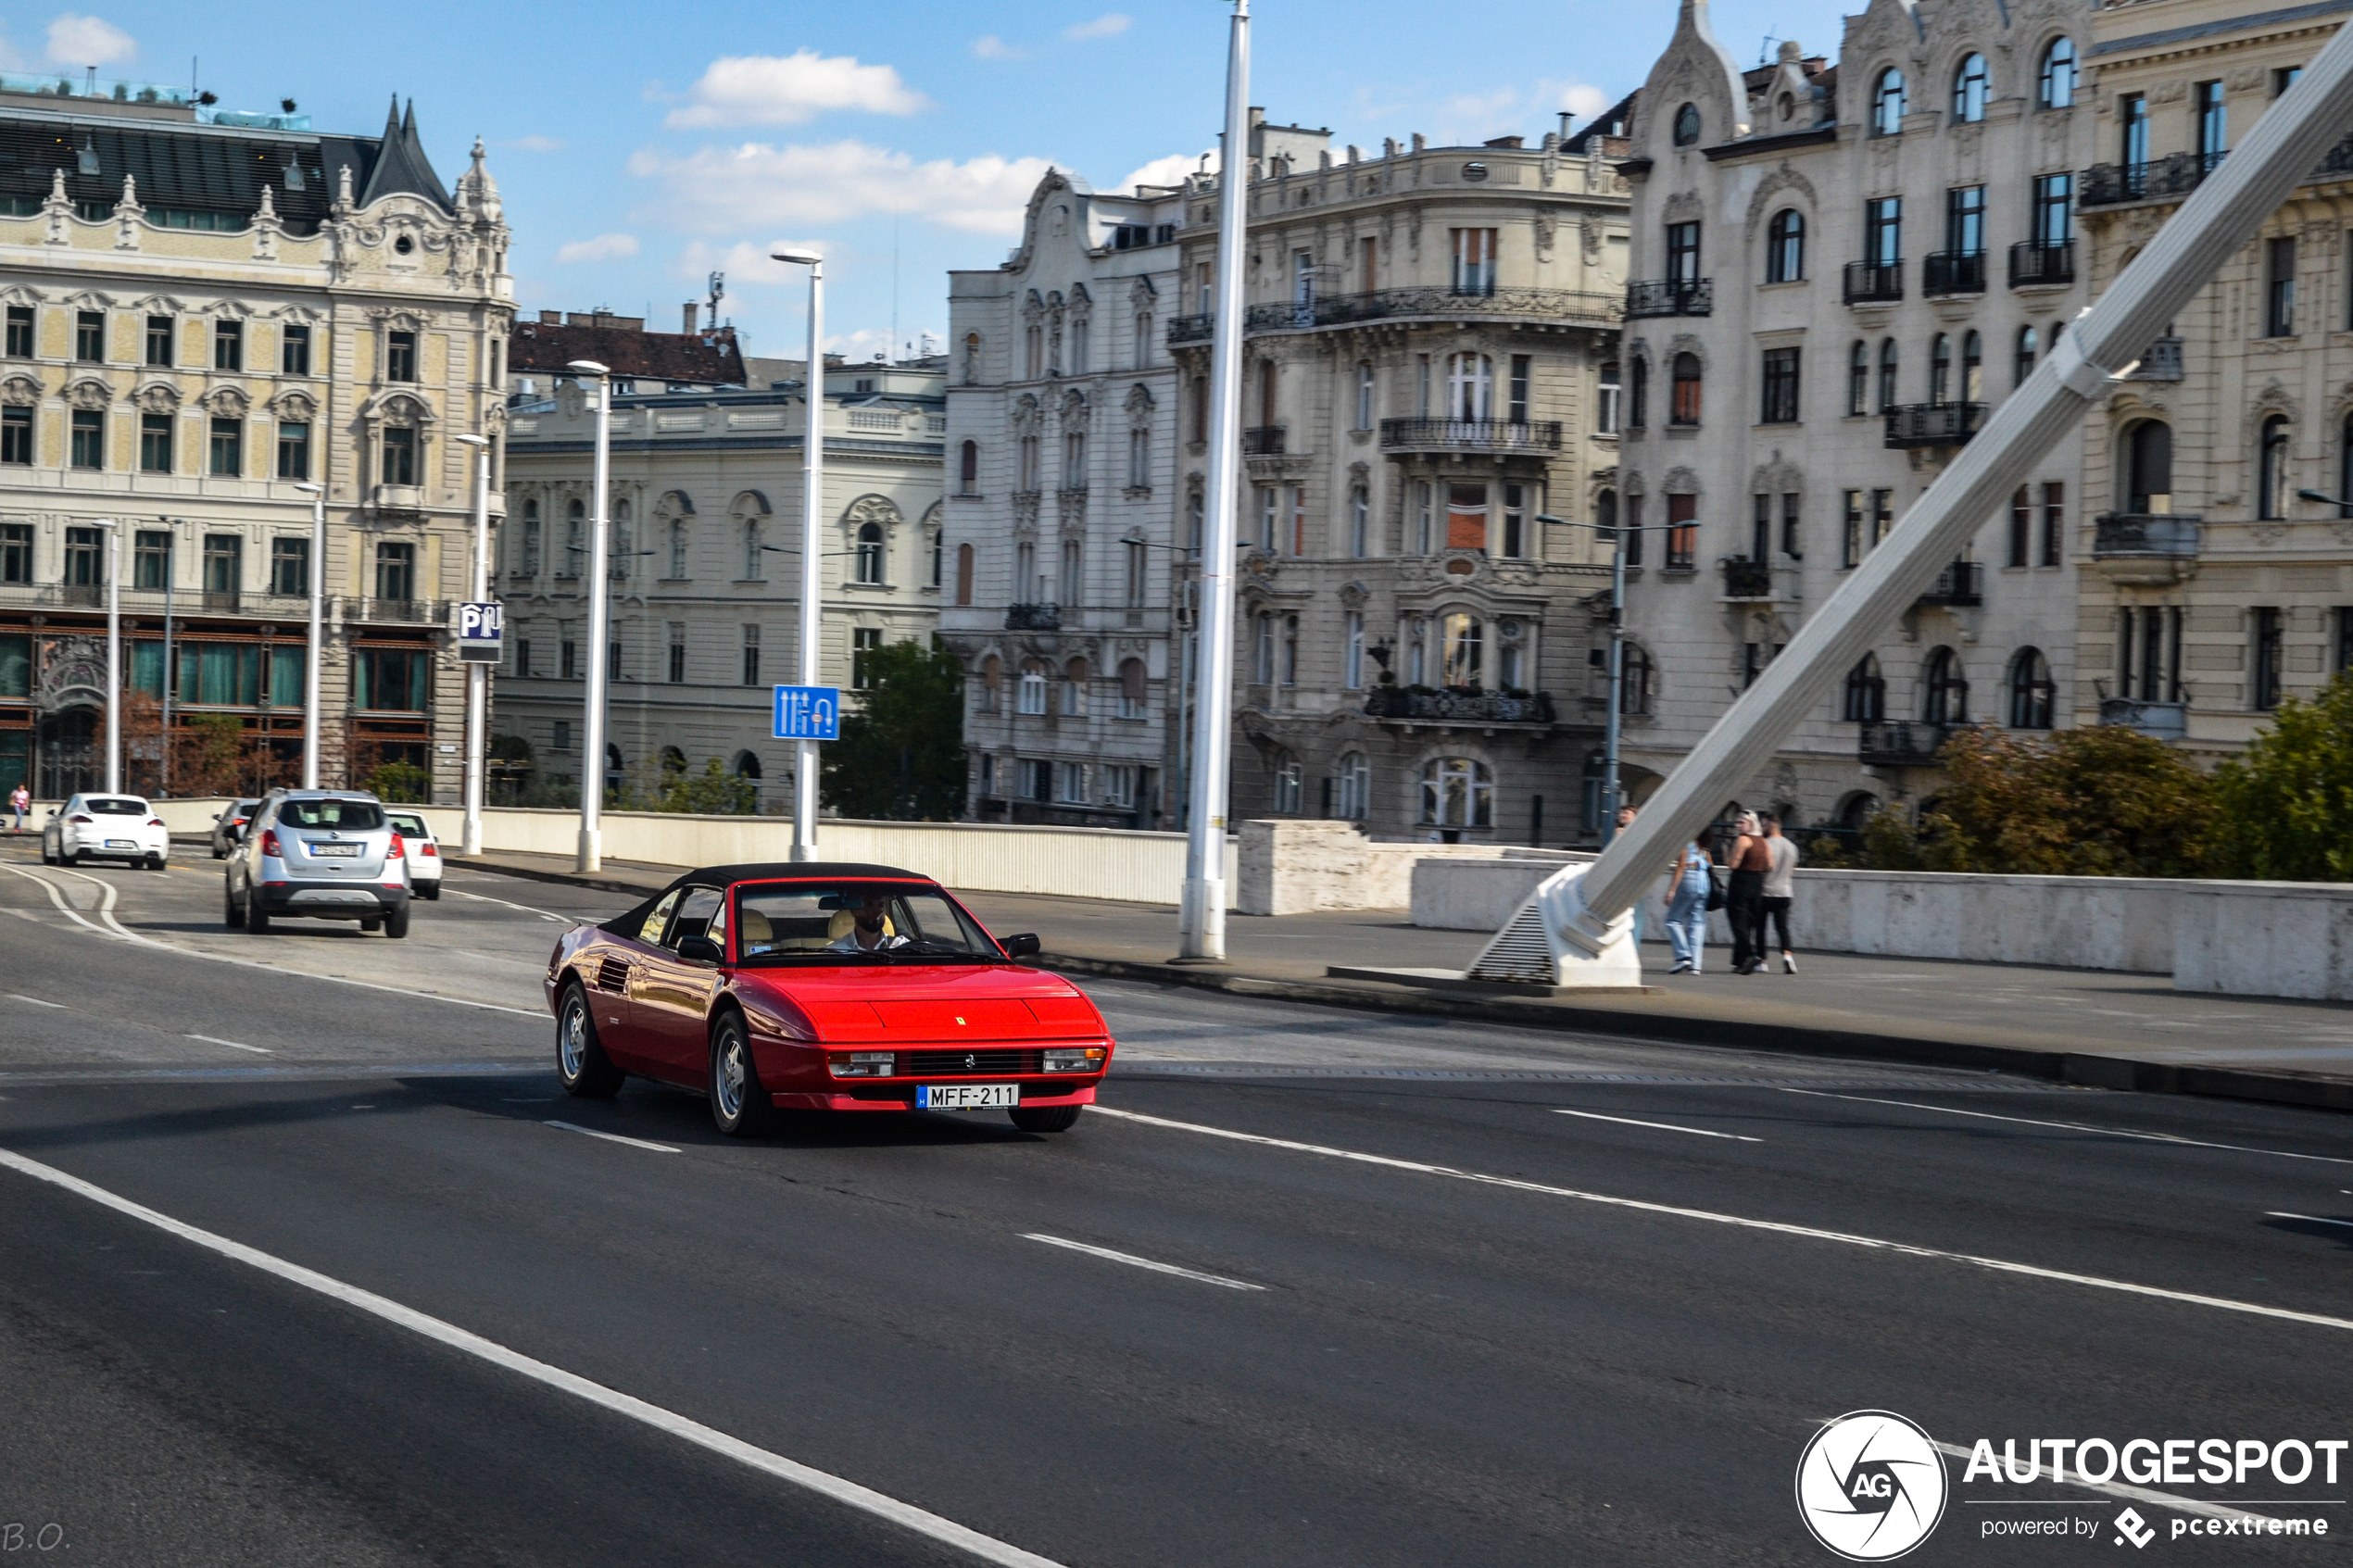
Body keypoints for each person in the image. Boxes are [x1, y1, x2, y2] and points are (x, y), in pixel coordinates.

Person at [1727, 810, 1774, 974]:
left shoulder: (1743, 840)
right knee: (1748, 923)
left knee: (1737, 922)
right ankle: (1739, 962)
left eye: (1742, 823)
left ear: (1751, 824)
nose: (1738, 826)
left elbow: (1733, 864)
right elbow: (1770, 865)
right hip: (1757, 882)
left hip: (1740, 881)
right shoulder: (1763, 841)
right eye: (1737, 822)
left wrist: (1727, 854)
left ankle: (1749, 954)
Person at [1662, 836, 1713, 974]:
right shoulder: (1703, 843)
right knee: (1697, 923)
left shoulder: (1687, 839)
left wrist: (1672, 890)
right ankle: (1696, 965)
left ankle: (1683, 956)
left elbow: (1681, 865)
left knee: (1673, 920)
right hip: (1704, 880)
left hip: (1688, 877)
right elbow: (1710, 864)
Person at [1761, 815, 1801, 973]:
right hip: (1785, 891)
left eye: (1765, 825)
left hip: (1766, 891)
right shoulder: (1792, 846)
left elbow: (1763, 868)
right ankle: (1787, 956)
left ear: (1771, 826)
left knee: (1760, 927)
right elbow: (1792, 870)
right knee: (1782, 927)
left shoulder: (1766, 844)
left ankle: (1762, 961)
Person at [826, 893, 912, 952]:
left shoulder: (903, 947)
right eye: (869, 905)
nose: (878, 911)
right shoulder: (836, 951)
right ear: (853, 911)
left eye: (881, 905)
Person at [1615, 803, 1646, 951]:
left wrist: (1620, 838)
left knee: (1635, 912)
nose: (1622, 815)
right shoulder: (1619, 831)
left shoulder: (1636, 832)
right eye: (1621, 812)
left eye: (1626, 813)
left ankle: (1633, 948)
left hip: (1633, 877)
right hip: (1622, 877)